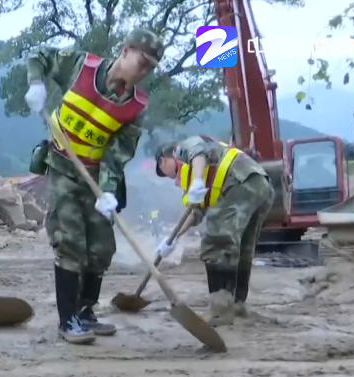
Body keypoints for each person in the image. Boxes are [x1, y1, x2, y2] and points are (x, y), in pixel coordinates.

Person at [23, 29, 164, 344]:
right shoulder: (80, 66)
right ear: (125, 51)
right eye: (142, 62)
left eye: (150, 68)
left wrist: (108, 191)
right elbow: (39, 55)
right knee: (70, 242)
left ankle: (86, 312)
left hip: (95, 179)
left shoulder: (135, 107)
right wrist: (36, 83)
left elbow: (118, 153)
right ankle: (67, 320)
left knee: (101, 247)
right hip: (62, 167)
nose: (144, 72)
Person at [153, 135, 274, 326]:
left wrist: (197, 181)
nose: (171, 179)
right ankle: (237, 306)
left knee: (216, 243)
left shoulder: (182, 149)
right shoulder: (194, 176)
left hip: (240, 182)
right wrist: (172, 239)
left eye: (164, 172)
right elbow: (196, 213)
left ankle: (220, 311)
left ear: (163, 160)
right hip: (258, 185)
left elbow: (197, 149)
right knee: (242, 248)